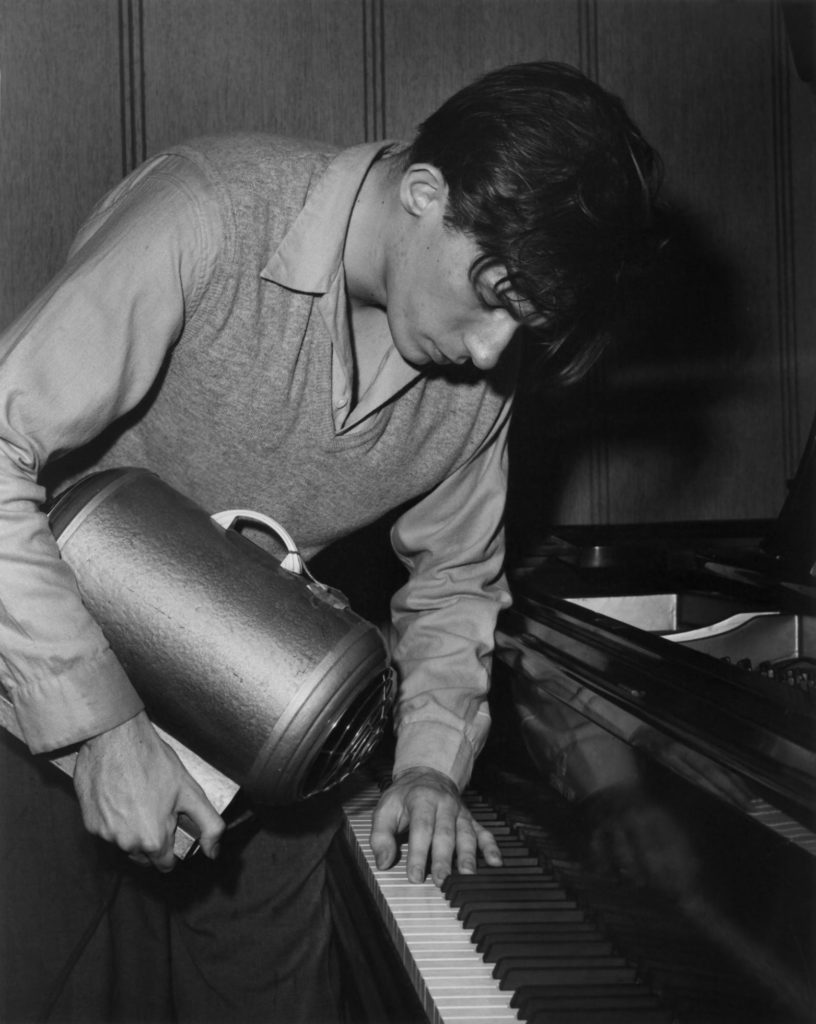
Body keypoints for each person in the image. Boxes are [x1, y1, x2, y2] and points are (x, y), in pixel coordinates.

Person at [0, 61, 662, 1022]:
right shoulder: (207, 214)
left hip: (267, 717)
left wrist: (432, 761)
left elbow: (456, 586)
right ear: (425, 193)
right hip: (37, 698)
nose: (488, 356)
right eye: (494, 295)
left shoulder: (478, 376)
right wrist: (101, 728)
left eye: (523, 326)